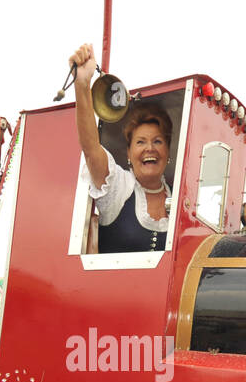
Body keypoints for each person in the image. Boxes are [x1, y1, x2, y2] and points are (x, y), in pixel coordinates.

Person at [70, 43, 172, 253]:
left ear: (168, 152)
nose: (149, 149)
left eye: (158, 141)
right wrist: (82, 83)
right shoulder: (120, 187)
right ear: (128, 153)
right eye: (140, 142)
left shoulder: (180, 200)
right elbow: (90, 148)